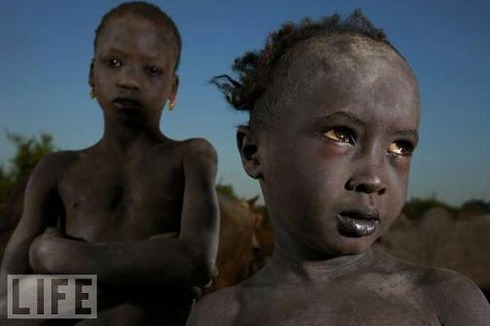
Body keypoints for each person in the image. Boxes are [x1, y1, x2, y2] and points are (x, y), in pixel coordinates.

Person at [186, 10, 490, 325]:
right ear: (253, 152)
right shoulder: (219, 316)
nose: (373, 179)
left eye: (400, 147)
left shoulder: (446, 301)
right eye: (341, 134)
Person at [0, 2, 219, 325]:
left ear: (173, 89)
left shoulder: (192, 156)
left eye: (152, 70)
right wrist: (156, 278)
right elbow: (7, 303)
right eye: (113, 62)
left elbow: (196, 261)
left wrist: (59, 256)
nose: (129, 80)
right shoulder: (57, 169)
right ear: (92, 75)